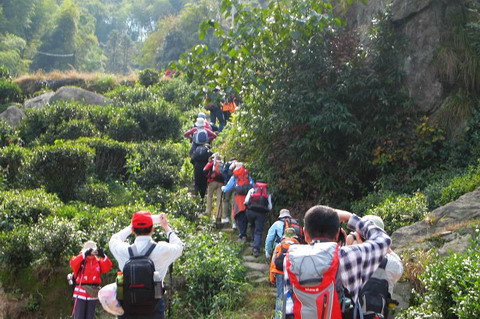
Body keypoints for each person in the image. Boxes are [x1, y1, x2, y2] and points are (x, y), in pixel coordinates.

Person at [284, 205, 392, 318]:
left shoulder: (291, 257)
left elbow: (287, 304)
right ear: (337, 234)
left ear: (305, 234)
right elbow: (383, 240)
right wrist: (349, 217)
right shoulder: (348, 256)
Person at [109, 211, 183, 319]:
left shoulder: (123, 250)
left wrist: (130, 226)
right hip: (154, 307)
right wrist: (166, 227)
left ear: (133, 230)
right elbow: (179, 246)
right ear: (152, 229)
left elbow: (113, 240)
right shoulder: (162, 249)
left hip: (128, 306)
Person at [347, 215, 403, 319]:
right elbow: (399, 264)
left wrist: (353, 241)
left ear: (359, 235)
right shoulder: (392, 264)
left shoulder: (349, 258)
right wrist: (383, 244)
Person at [70, 240, 113, 319]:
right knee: (79, 316)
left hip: (93, 293)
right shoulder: (81, 260)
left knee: (90, 316)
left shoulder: (98, 261)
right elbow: (73, 263)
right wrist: (84, 254)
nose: (92, 253)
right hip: (81, 292)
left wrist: (103, 256)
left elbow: (107, 267)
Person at [269, 228, 299, 319]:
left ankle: (278, 316)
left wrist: (272, 277)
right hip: (292, 274)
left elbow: (273, 261)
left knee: (280, 296)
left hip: (279, 272)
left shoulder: (279, 246)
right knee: (294, 296)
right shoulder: (298, 246)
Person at [221, 163, 254, 241]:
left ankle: (242, 235)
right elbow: (253, 186)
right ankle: (245, 235)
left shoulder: (234, 177)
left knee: (239, 217)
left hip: (238, 201)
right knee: (245, 218)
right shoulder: (247, 176)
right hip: (248, 200)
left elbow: (226, 189)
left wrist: (222, 188)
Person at [244, 181, 272, 257]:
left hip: (251, 212)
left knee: (252, 225)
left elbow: (246, 201)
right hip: (261, 214)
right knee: (258, 231)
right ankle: (256, 248)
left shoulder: (252, 190)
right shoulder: (267, 193)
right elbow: (270, 207)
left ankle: (254, 242)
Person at [203, 153, 225, 220]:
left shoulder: (212, 162)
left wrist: (208, 177)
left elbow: (205, 171)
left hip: (212, 181)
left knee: (209, 196)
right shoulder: (222, 164)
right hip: (221, 183)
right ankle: (219, 215)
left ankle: (208, 212)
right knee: (219, 199)